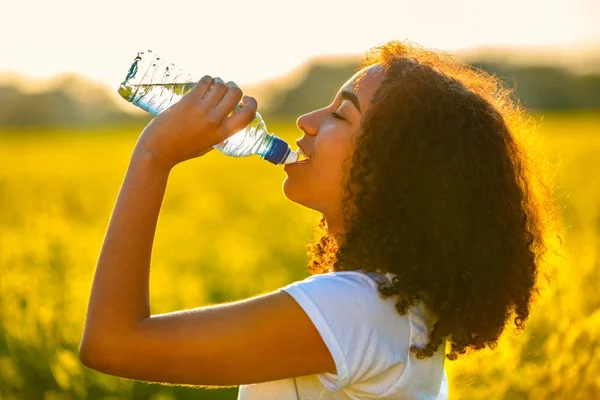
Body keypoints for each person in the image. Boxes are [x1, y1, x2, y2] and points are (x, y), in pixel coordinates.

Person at [78, 40, 563, 399]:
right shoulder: (395, 310)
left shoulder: (354, 308)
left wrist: (153, 155)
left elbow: (112, 343)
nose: (308, 120)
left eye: (341, 116)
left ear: (394, 168)